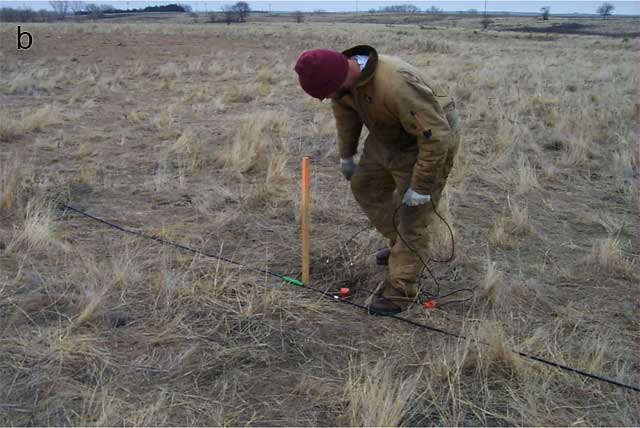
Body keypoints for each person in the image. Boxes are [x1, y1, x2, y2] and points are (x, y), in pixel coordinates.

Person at [294, 45, 460, 315]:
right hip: (387, 135)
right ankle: (401, 248)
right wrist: (346, 156)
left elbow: (437, 136)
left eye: (329, 93)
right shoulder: (344, 87)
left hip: (426, 142)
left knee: (413, 216)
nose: (329, 99)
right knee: (364, 186)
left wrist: (421, 186)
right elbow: (346, 118)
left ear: (338, 78)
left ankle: (401, 290)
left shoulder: (395, 84)